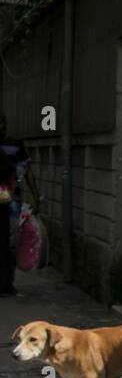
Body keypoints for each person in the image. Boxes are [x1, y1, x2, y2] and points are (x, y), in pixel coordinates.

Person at [0, 111, 37, 296]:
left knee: (10, 241)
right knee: (11, 241)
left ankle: (6, 282)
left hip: (9, 198)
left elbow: (27, 172)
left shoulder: (14, 144)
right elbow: (27, 172)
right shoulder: (14, 144)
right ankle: (7, 283)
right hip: (10, 196)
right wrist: (36, 197)